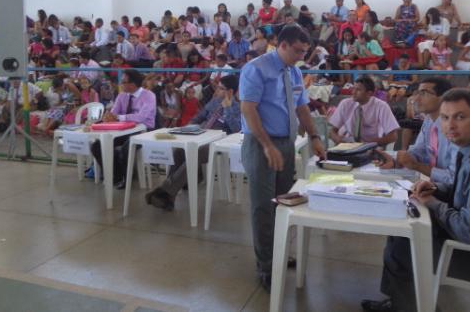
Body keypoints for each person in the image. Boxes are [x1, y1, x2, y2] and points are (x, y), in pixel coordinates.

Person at [362, 88, 470, 312]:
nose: (450, 126)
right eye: (445, 118)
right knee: (402, 232)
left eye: (460, 117)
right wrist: (434, 188)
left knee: (408, 241)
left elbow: (469, 232)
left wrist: (433, 202)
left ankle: (411, 306)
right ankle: (407, 302)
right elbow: (461, 189)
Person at [239, 25, 326, 292]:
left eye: (305, 51)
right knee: (263, 206)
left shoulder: (295, 71)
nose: (301, 56)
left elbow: (301, 106)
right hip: (261, 143)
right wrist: (267, 146)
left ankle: (278, 252)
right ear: (283, 45)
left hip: (286, 144)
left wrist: (314, 137)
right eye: (297, 51)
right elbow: (248, 109)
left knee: (283, 203)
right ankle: (266, 265)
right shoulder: (256, 69)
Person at [146, 75, 242, 210]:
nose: (216, 91)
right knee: (179, 151)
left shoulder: (238, 107)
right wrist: (188, 126)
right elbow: (201, 116)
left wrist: (228, 108)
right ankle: (169, 197)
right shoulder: (214, 101)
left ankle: (164, 191)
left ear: (230, 91)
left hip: (218, 142)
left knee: (194, 154)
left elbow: (236, 129)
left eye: (221, 88)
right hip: (200, 135)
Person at [378, 77, 455, 183]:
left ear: (443, 97)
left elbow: (454, 179)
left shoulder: (455, 129)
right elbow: (420, 150)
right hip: (434, 186)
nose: (416, 99)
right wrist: (398, 160)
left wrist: (417, 166)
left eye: (424, 93)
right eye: (417, 93)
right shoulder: (429, 120)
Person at [90, 69, 156, 189]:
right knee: (97, 146)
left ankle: (127, 178)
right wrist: (108, 116)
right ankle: (116, 176)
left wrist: (119, 117)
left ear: (133, 84)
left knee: (127, 146)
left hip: (144, 130)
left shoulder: (149, 96)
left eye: (124, 82)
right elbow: (114, 113)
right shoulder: (122, 96)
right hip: (123, 130)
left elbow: (141, 117)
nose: (121, 84)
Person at [328, 76, 399, 147]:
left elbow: (393, 136)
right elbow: (332, 131)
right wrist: (338, 139)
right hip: (348, 144)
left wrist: (368, 144)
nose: (353, 92)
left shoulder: (381, 106)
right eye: (353, 89)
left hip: (372, 145)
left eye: (358, 90)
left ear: (369, 93)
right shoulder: (345, 104)